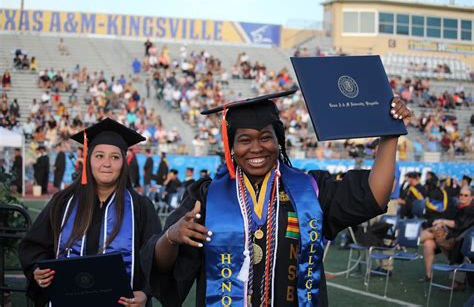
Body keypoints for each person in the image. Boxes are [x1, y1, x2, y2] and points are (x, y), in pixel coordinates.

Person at [141, 90, 411, 306]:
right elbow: (164, 266)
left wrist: (389, 135)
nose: (256, 148)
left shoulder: (311, 190)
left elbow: (374, 196)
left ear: (279, 142)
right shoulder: (206, 196)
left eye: (266, 138)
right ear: (232, 148)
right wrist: (171, 237)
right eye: (245, 140)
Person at [19, 118, 161, 306]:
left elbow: (154, 261)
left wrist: (144, 293)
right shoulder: (63, 203)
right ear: (88, 159)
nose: (107, 164)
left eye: (115, 157)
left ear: (123, 163)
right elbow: (34, 247)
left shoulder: (141, 207)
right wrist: (38, 271)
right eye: (99, 156)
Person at [420, 186, 473, 288]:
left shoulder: (471, 210)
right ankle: (428, 275)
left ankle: (414, 240)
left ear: (472, 197)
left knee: (436, 230)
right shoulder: (456, 206)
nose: (462, 197)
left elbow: (458, 225)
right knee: (428, 243)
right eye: (461, 195)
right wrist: (442, 223)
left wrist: (442, 222)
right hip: (448, 236)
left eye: (466, 195)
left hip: (457, 241)